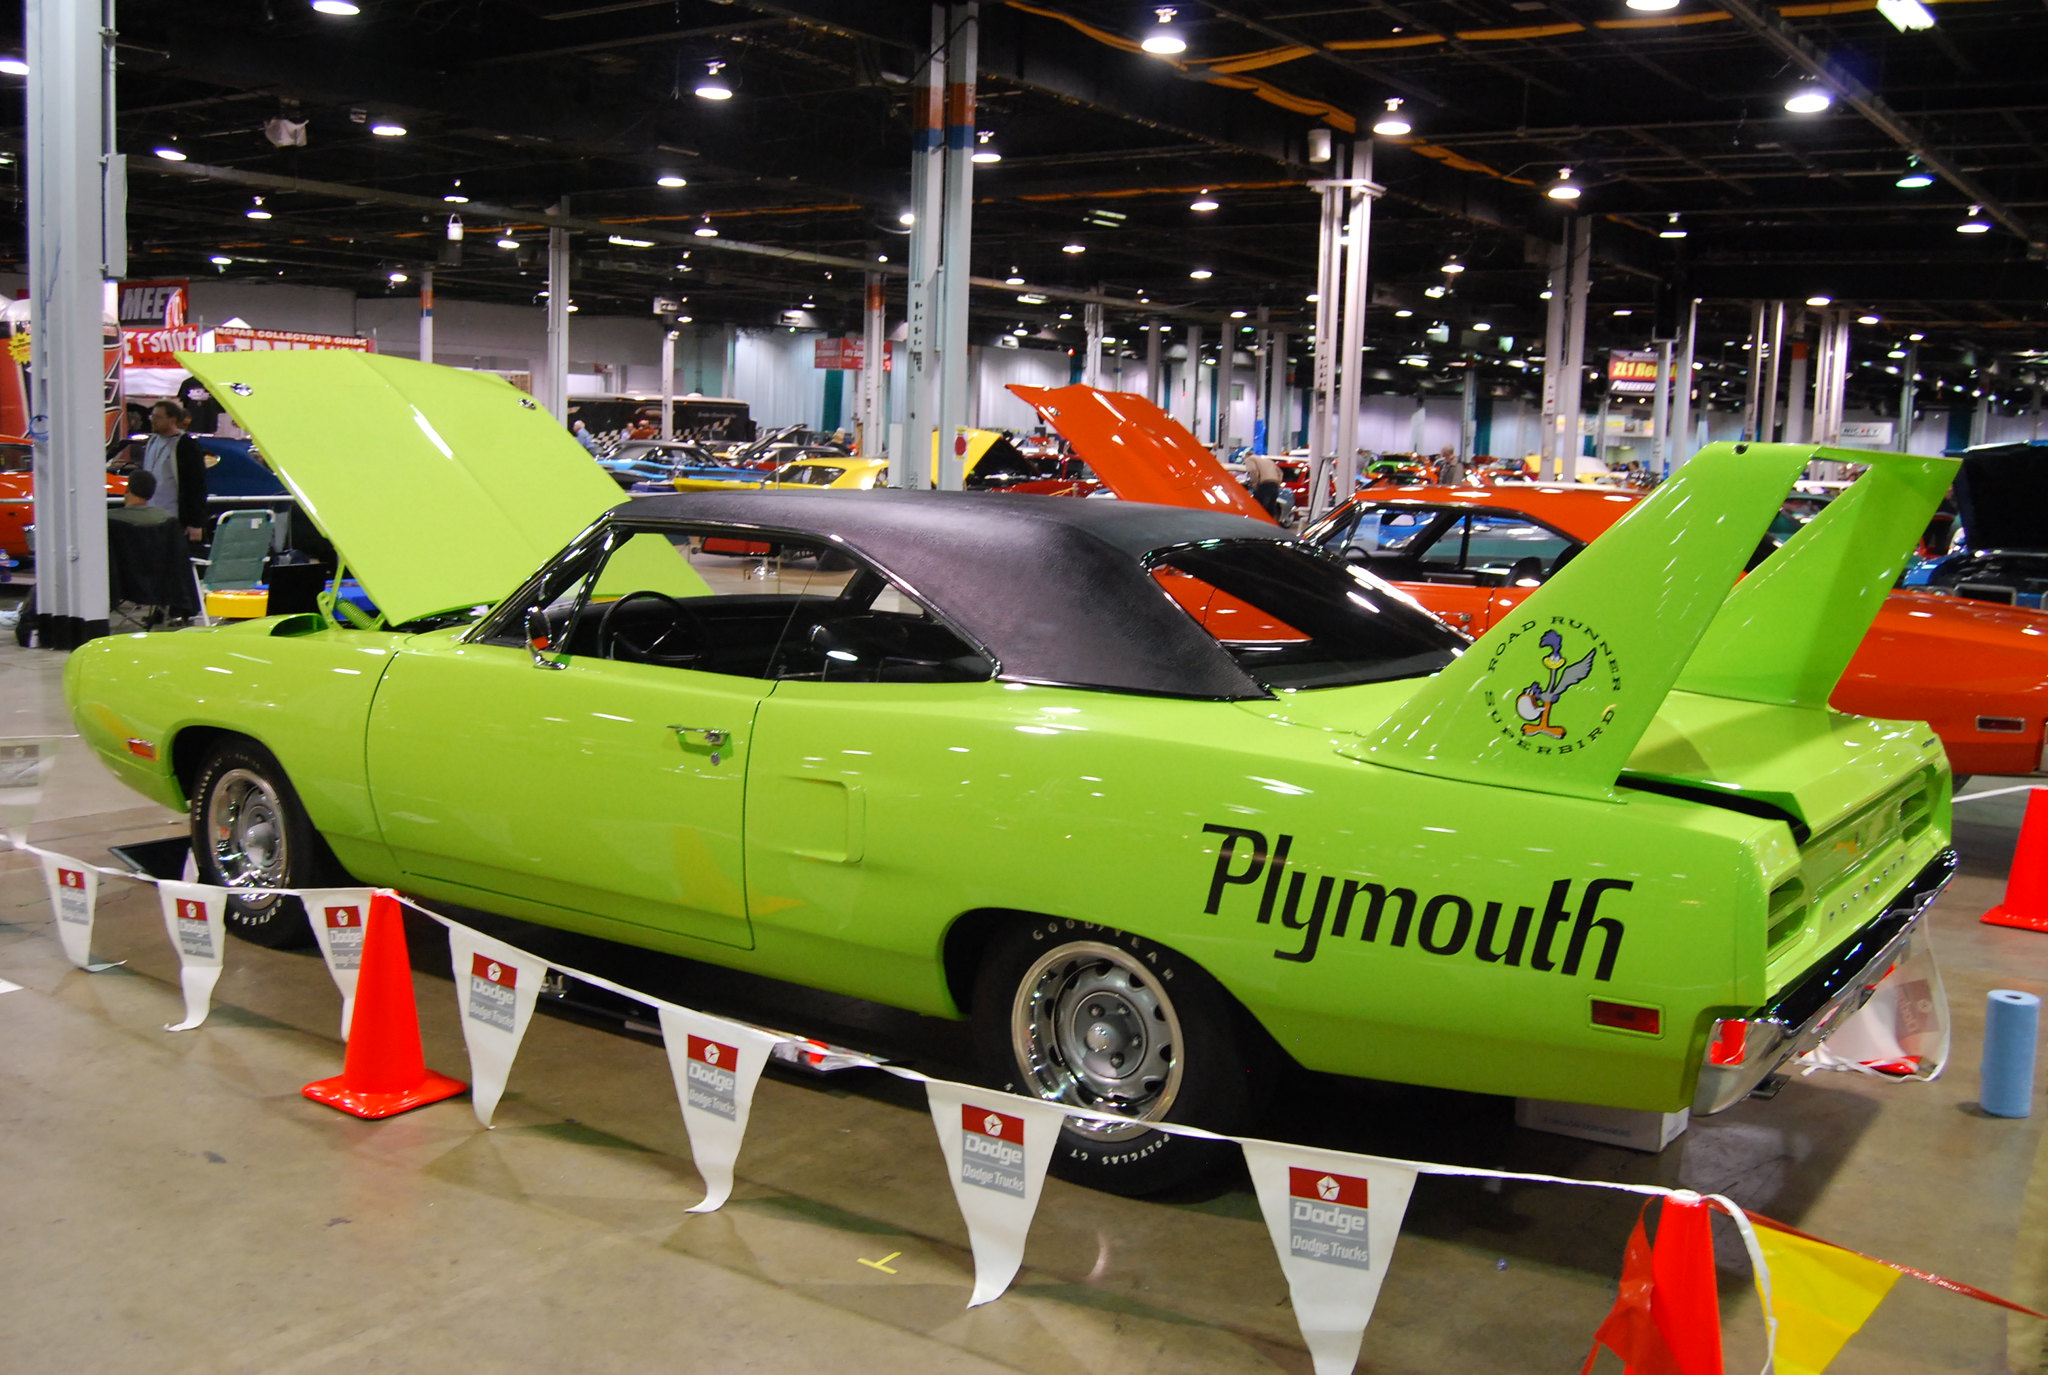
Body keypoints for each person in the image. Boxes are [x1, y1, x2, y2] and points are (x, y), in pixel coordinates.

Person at [140, 399, 209, 544]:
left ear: (172, 419)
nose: (153, 420)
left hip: (174, 518)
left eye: (158, 417)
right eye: (152, 416)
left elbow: (196, 484)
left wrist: (196, 522)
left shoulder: (185, 445)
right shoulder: (152, 442)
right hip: (150, 515)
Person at [1242, 448, 1283, 519]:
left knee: (1259, 507)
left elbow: (1253, 471)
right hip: (1274, 484)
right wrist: (1278, 482)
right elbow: (1280, 473)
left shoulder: (1250, 459)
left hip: (1264, 484)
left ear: (1246, 457)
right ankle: (1270, 525)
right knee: (1270, 508)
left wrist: (1255, 484)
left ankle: (1258, 524)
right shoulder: (1268, 461)